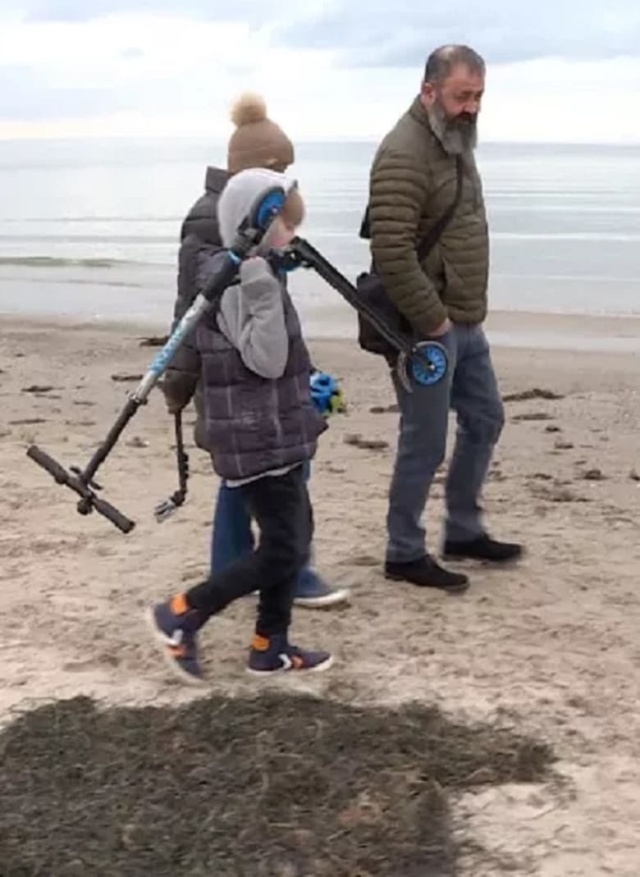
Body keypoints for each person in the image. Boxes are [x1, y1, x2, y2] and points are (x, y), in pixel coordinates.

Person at [163, 93, 349, 609]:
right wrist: (178, 380)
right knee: (267, 475)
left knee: (252, 478)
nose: (284, 181)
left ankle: (247, 569)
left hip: (262, 371)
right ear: (255, 173)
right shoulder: (215, 222)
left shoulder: (258, 224)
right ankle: (283, 569)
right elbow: (192, 305)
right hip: (237, 379)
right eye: (279, 171)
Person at [147, 168, 334, 683]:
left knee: (294, 535)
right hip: (256, 436)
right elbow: (266, 360)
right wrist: (264, 289)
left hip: (276, 427)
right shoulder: (241, 282)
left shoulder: (256, 272)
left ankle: (269, 647)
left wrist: (311, 389)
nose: (293, 236)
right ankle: (181, 613)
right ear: (257, 224)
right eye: (286, 225)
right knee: (282, 547)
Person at [365, 45, 523, 594]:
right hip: (426, 328)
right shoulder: (404, 152)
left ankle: (463, 529)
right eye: (462, 96)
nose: (472, 107)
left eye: (478, 96)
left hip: (463, 319)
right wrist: (432, 321)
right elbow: (391, 249)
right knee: (425, 440)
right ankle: (404, 551)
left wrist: (461, 314)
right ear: (429, 91)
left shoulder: (453, 141)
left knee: (486, 418)